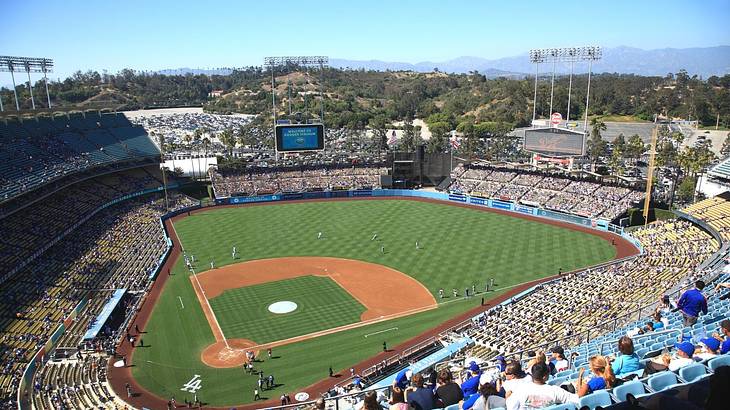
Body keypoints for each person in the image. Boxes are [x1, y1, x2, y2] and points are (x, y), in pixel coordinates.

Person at [506, 362, 579, 410]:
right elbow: (576, 400)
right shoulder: (555, 390)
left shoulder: (521, 389)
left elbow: (511, 407)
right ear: (545, 377)